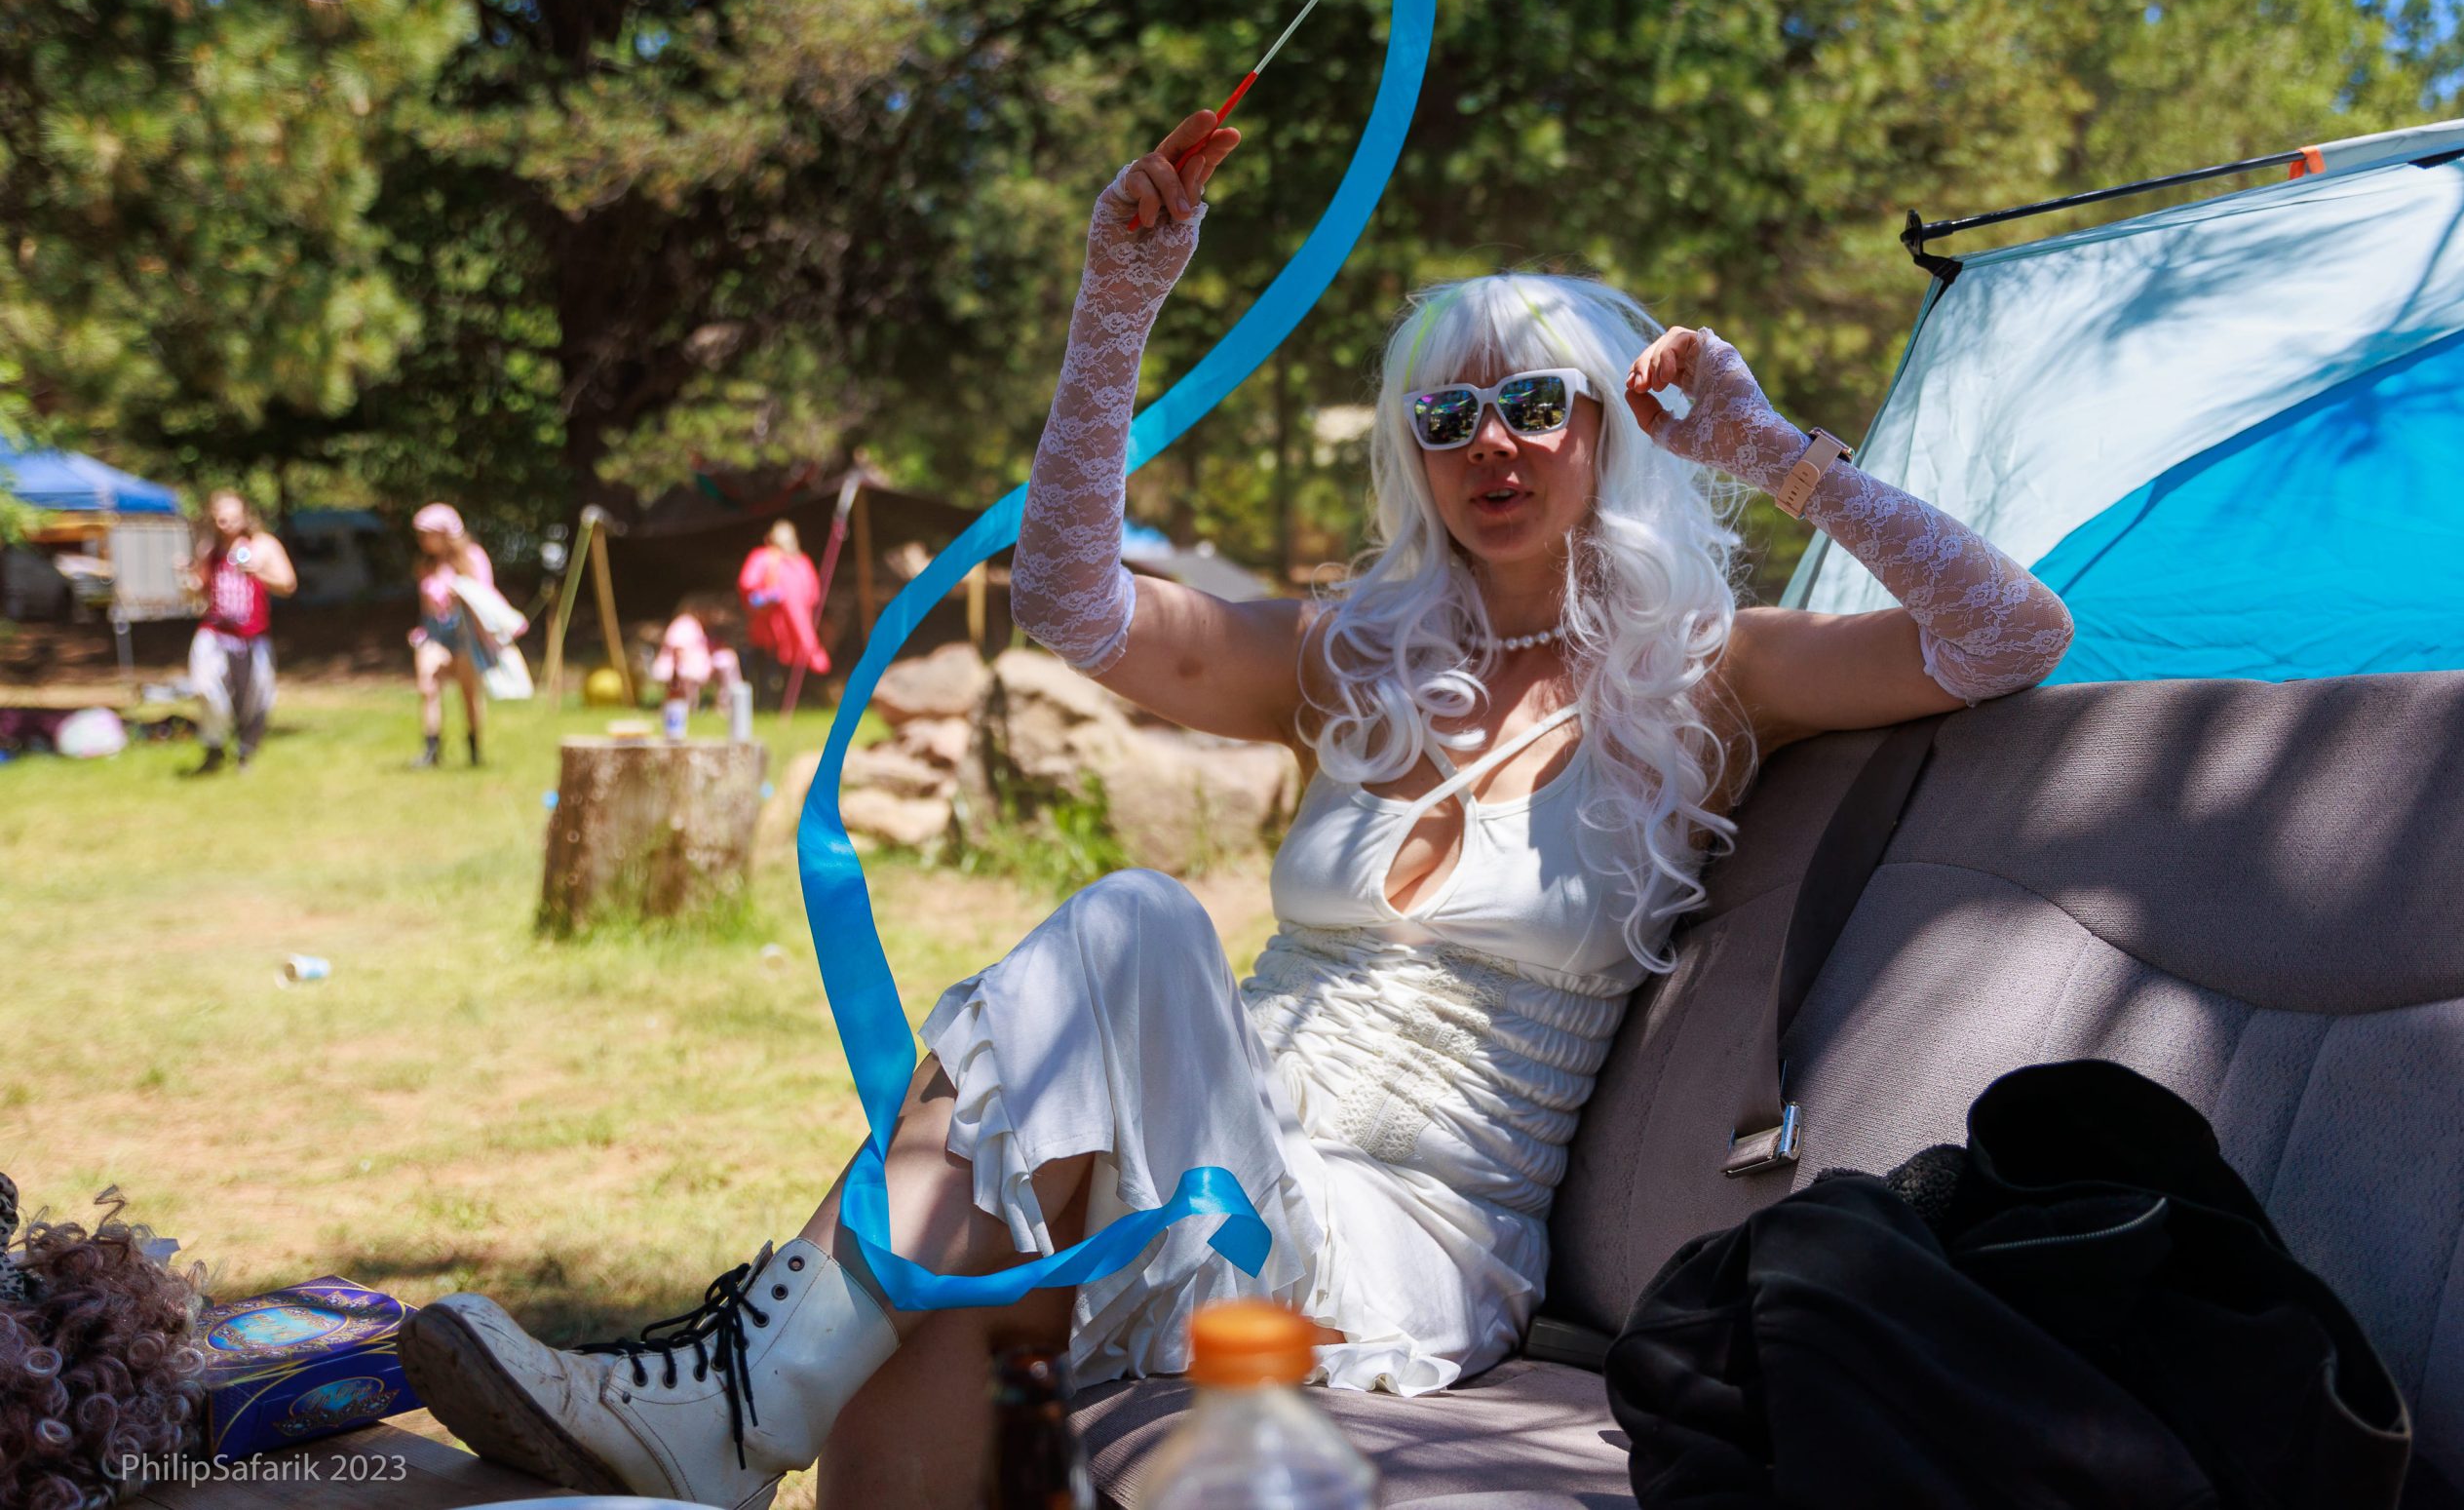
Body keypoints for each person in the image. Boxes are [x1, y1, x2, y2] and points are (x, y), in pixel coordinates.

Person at [401, 113, 2076, 1508]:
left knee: (1130, 930)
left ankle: (727, 1397)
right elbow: (1072, 601)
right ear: (1413, 454)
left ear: (1609, 428)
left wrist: (1775, 451)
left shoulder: (1708, 673)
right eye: (1446, 416)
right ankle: (742, 1403)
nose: (1490, 444)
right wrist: (1115, 307)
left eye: (1534, 404)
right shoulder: (1356, 651)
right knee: (956, 1277)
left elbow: (2009, 634)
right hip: (1211, 1161)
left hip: (1403, 1242)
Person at [181, 490, 294, 776]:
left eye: (231, 517)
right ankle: (214, 744)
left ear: (244, 515)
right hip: (215, 632)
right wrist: (187, 579)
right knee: (205, 687)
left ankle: (246, 752)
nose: (226, 523)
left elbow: (288, 584)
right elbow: (199, 589)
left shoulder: (263, 545)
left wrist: (258, 572)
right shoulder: (209, 548)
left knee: (255, 697)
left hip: (253, 636)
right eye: (220, 518)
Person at [410, 503, 527, 767]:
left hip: (466, 634)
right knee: (427, 685)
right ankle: (431, 751)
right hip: (435, 632)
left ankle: (474, 749)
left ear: (444, 533)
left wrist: (461, 591)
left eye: (427, 534)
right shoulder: (426, 564)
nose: (422, 540)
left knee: (468, 693)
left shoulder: (472, 557)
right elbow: (424, 604)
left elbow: (484, 598)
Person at [739, 520, 830, 700]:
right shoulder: (763, 558)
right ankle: (766, 701)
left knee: (793, 670)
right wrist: (768, 597)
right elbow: (748, 593)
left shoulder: (802, 563)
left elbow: (813, 596)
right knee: (767, 671)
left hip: (798, 632)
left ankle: (796, 700)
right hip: (768, 633)